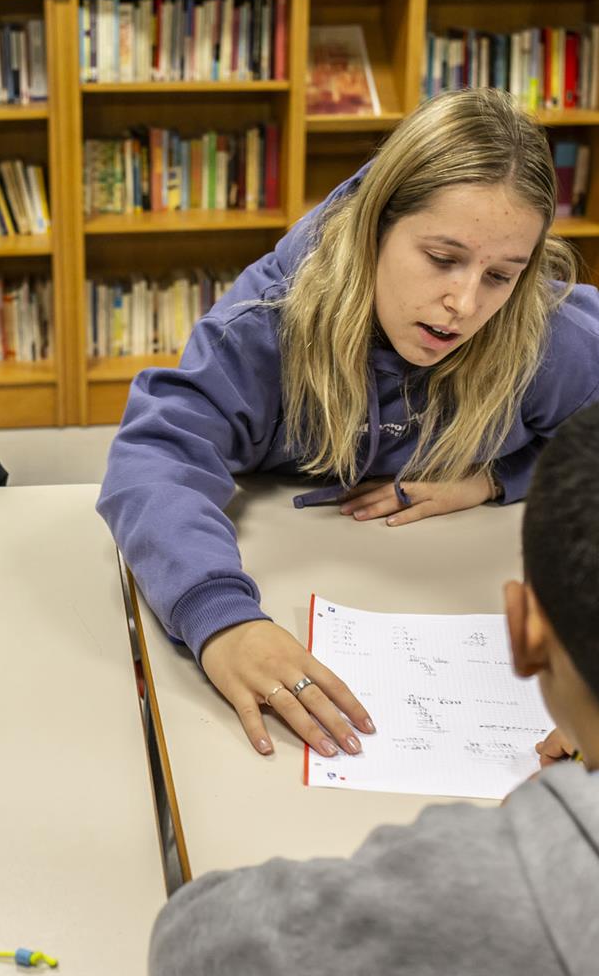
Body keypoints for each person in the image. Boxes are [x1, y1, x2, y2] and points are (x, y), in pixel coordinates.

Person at [98, 88, 599, 760]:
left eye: (501, 275)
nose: (463, 302)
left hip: (445, 577)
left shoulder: (536, 331)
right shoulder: (271, 322)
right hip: (289, 566)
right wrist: (221, 620)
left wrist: (496, 477)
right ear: (375, 227)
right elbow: (154, 458)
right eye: (443, 258)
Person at [149, 402, 599, 976]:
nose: (460, 306)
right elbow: (165, 447)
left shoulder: (494, 883)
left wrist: (526, 839)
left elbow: (194, 943)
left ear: (524, 631)